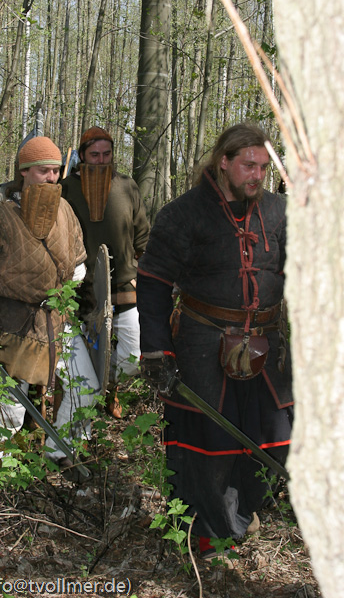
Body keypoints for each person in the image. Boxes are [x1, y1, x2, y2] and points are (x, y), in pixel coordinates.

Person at [137, 123, 293, 560]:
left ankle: (239, 512)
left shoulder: (279, 212)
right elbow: (152, 282)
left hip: (267, 347)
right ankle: (206, 535)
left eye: (263, 167)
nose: (257, 175)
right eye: (248, 165)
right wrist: (157, 350)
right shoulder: (184, 213)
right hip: (203, 344)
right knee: (208, 445)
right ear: (223, 161)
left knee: (276, 438)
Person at [0, 136, 99, 476]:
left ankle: (59, 451)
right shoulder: (0, 216)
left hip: (58, 319)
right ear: (24, 172)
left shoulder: (66, 211)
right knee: (9, 405)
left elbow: (79, 268)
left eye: (55, 171)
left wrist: (67, 296)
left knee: (86, 388)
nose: (51, 177)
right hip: (14, 321)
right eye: (42, 171)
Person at [61, 126, 150, 417]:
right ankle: (87, 402)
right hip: (81, 289)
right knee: (84, 355)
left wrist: (140, 273)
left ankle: (111, 387)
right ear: (82, 156)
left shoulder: (127, 186)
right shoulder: (66, 189)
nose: (101, 160)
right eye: (94, 154)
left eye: (106, 154)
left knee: (133, 356)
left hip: (124, 286)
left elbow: (142, 238)